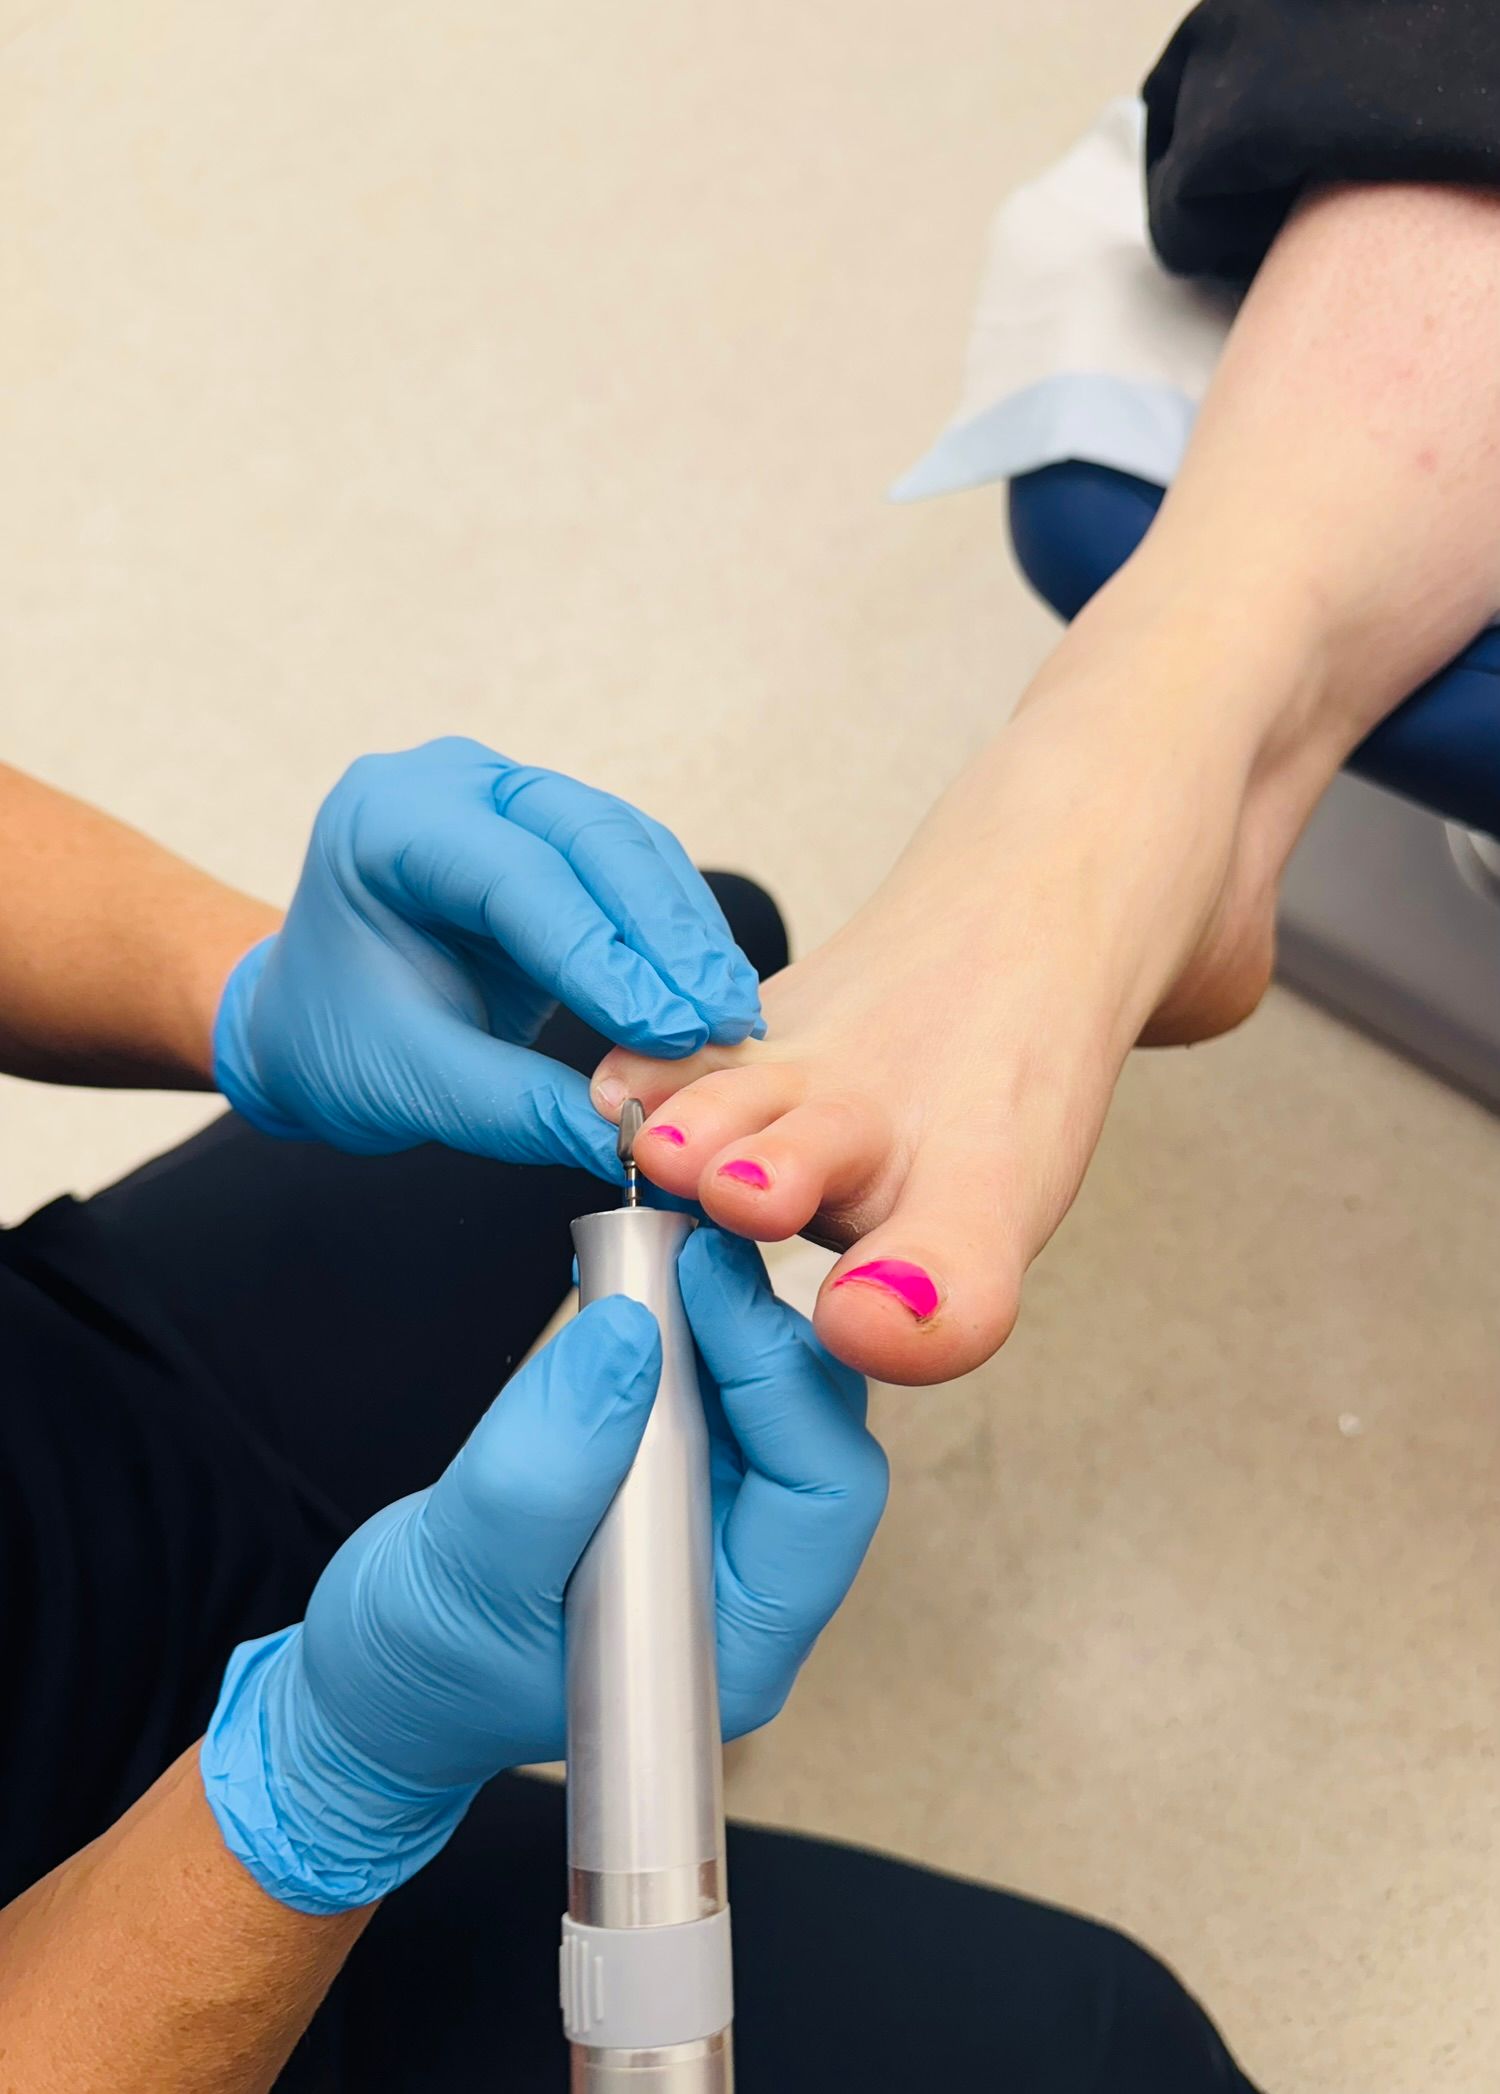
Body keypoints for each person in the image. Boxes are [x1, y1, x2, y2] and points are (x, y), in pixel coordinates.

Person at [0, 743, 1257, 2089]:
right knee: (1113, 2052)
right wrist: (317, 1789)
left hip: (69, 1425)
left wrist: (243, 990)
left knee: (680, 1017)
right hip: (112, 1966)